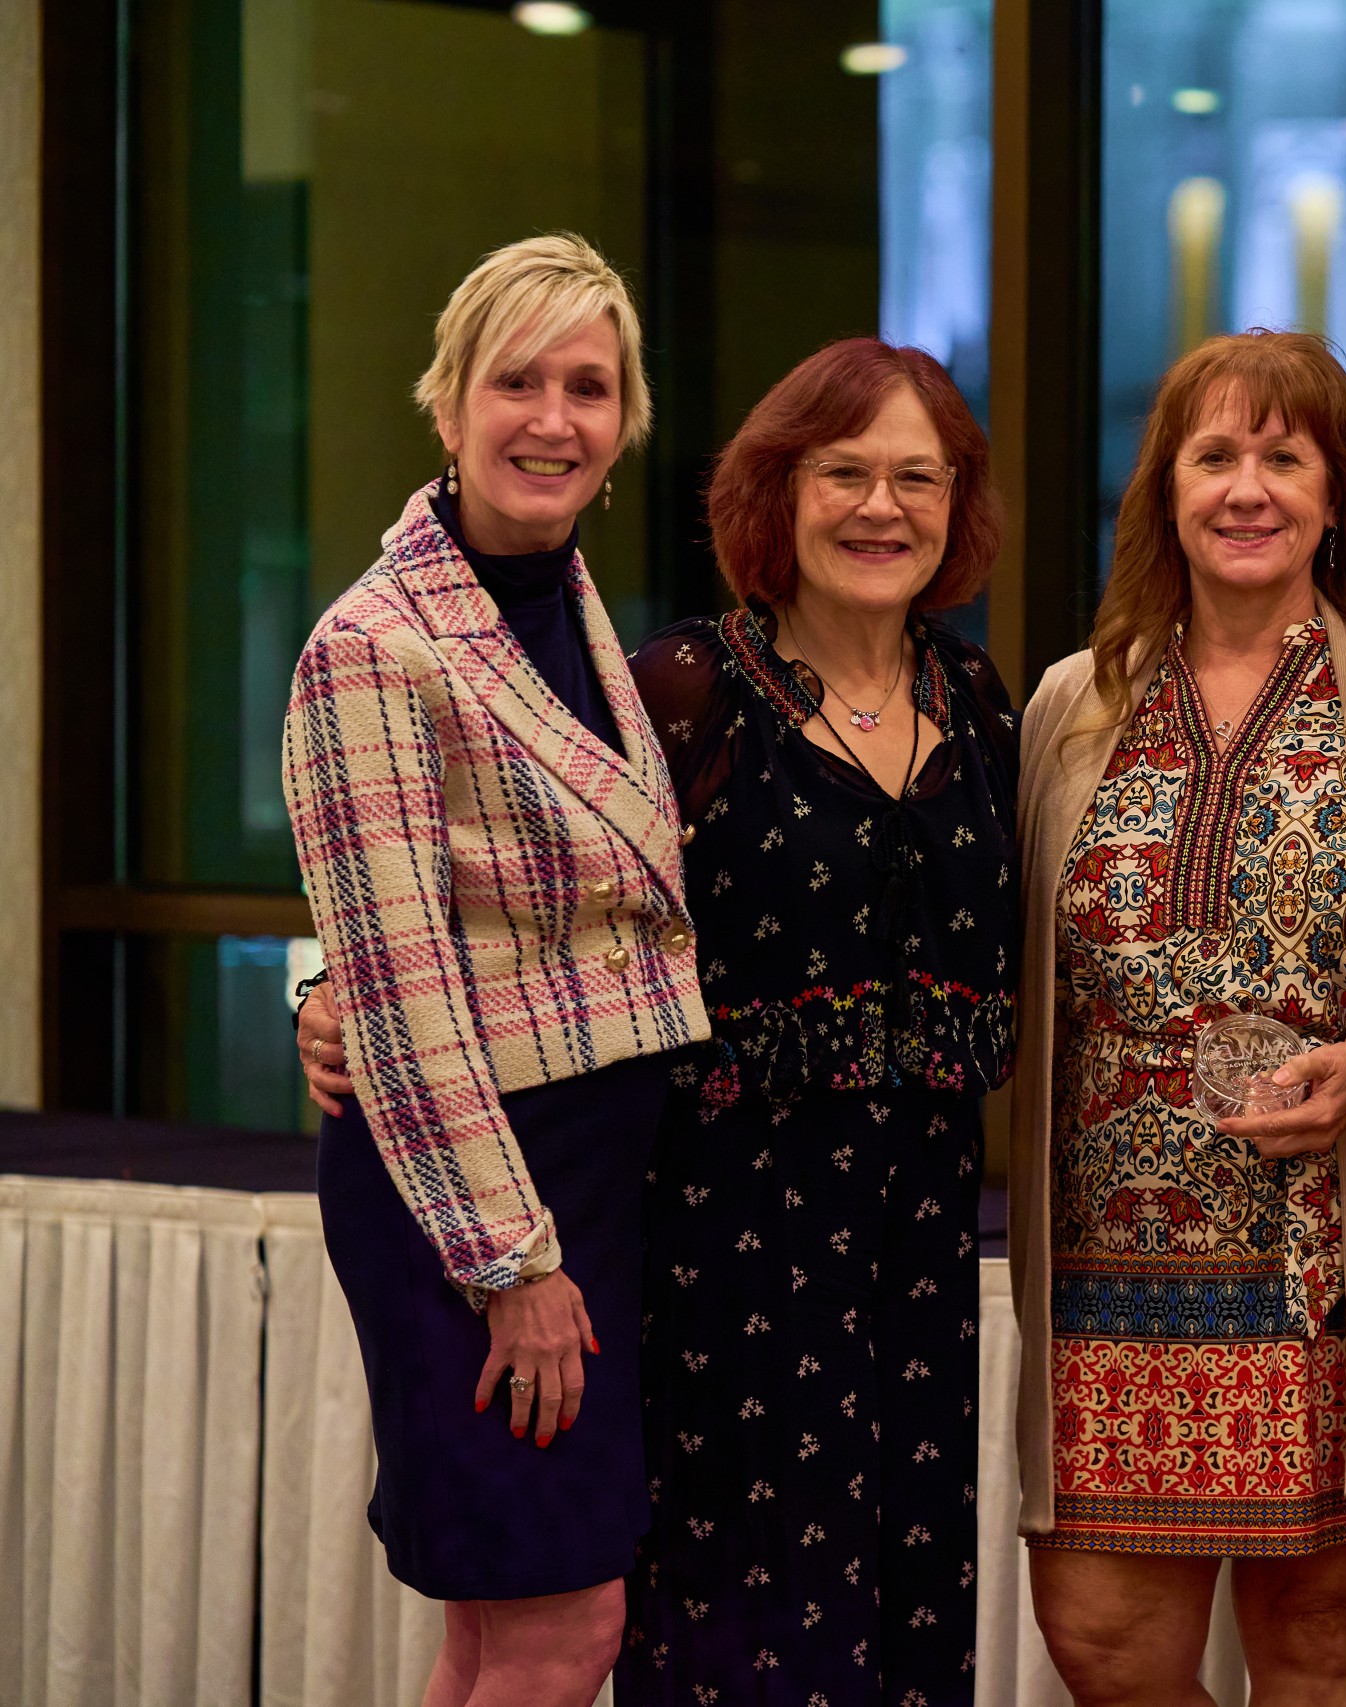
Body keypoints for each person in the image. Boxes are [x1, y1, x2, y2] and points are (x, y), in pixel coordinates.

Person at [303, 337, 1017, 1706]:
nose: (881, 507)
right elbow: (494, 888)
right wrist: (329, 991)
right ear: (777, 492)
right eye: (844, 473)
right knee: (740, 1633)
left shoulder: (978, 702)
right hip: (720, 1249)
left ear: (957, 504)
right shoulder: (679, 693)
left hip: (919, 1247)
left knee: (905, 1613)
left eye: (917, 478)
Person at [1011, 329, 1346, 1703]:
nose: (1248, 488)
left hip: (1329, 1272)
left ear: (1334, 492)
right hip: (1106, 1274)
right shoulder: (1071, 704)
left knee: (1321, 1655)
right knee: (1105, 1646)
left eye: (1284, 457)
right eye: (1215, 455)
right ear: (1165, 490)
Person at [282, 233, 707, 1707]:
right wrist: (511, 1266)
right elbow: (400, 988)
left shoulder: (565, 607)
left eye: (589, 387)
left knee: (496, 1629)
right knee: (563, 1629)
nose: (553, 419)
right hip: (476, 1197)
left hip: (588, 1175)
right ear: (448, 401)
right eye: (516, 381)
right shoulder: (374, 645)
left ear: (626, 420)